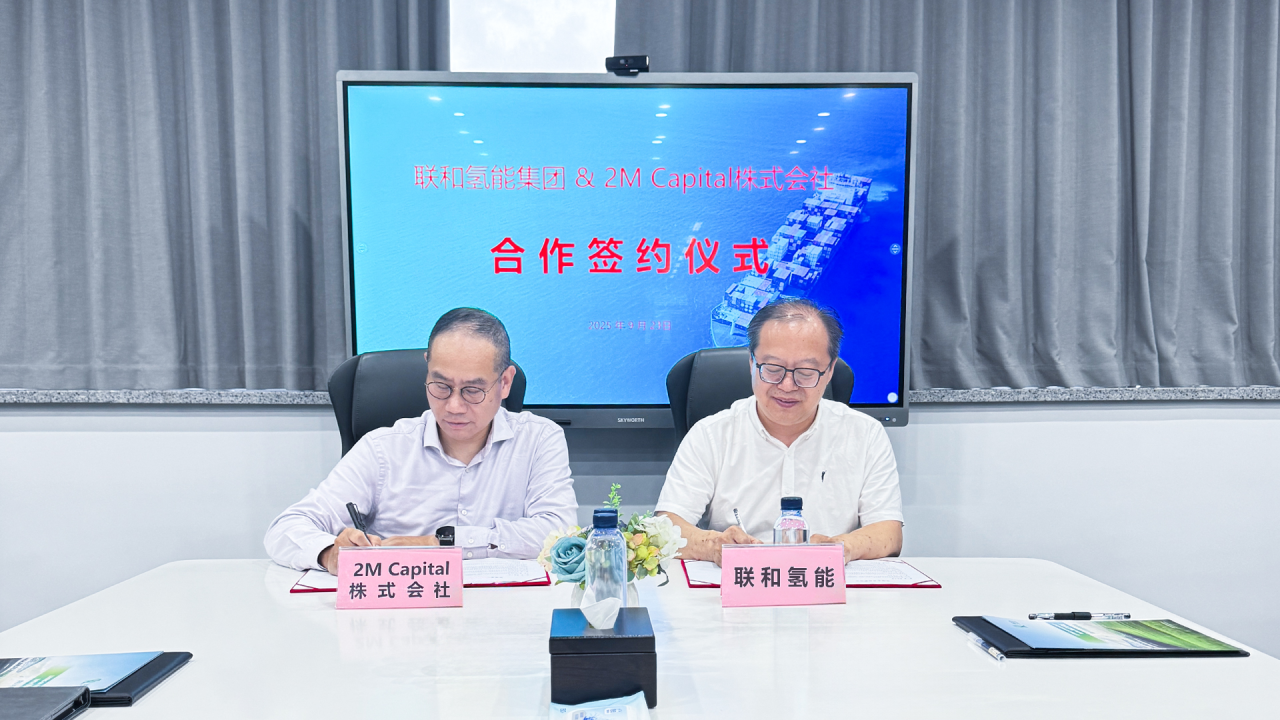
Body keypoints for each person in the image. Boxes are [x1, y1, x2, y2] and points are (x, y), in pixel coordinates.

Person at [265, 308, 577, 574]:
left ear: (505, 382)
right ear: (427, 368)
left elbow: (560, 532)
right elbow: (286, 528)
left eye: (472, 390)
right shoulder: (382, 449)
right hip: (403, 616)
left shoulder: (538, 439)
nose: (454, 406)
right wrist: (329, 554)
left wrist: (441, 542)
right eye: (441, 385)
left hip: (503, 613)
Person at [655, 299, 903, 565]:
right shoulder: (710, 435)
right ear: (752, 362)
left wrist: (842, 548)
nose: (787, 386)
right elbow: (667, 526)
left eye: (806, 372)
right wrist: (714, 546)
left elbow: (888, 532)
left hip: (826, 582)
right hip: (739, 583)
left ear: (830, 370)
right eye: (772, 369)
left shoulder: (865, 434)